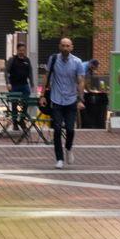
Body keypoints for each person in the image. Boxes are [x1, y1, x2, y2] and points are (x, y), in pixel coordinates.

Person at [42, 37, 93, 168]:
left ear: (72, 47)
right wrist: (42, 95)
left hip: (71, 100)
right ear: (59, 46)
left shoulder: (77, 62)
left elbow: (81, 80)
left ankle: (68, 148)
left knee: (70, 129)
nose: (65, 48)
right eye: (63, 45)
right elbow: (46, 76)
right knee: (57, 129)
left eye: (67, 46)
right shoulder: (53, 59)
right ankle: (59, 159)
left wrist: (80, 98)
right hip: (56, 99)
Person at [4, 47, 35, 128]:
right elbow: (6, 72)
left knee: (26, 102)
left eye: (23, 50)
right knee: (14, 104)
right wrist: (8, 83)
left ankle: (22, 119)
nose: (22, 52)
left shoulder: (27, 60)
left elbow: (30, 72)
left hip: (24, 85)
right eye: (20, 50)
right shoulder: (12, 60)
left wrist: (32, 84)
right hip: (14, 85)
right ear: (17, 50)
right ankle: (15, 123)